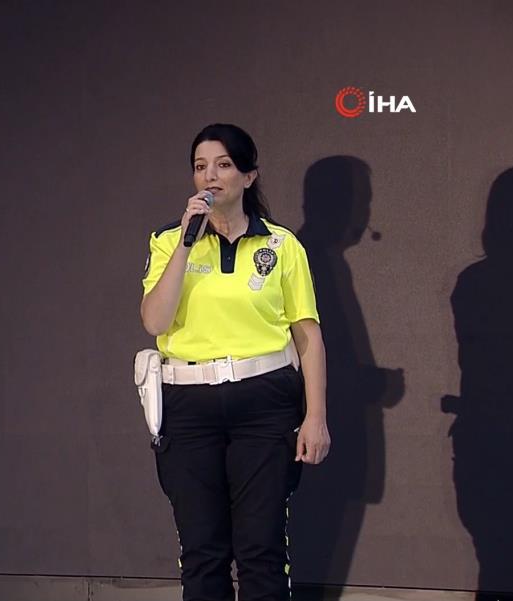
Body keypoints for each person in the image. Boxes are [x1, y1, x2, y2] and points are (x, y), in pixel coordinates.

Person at [140, 123, 329, 600]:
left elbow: (307, 335)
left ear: (248, 176)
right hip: (188, 406)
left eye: (223, 165)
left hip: (264, 404)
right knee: (202, 552)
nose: (210, 176)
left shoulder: (281, 246)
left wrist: (315, 417)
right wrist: (186, 243)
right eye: (200, 166)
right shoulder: (168, 241)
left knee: (261, 549)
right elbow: (155, 321)